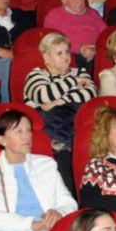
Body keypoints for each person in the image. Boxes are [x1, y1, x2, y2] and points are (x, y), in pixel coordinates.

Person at [23, 32, 98, 171]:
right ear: (46, 57)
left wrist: (59, 101)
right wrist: (73, 81)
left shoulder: (80, 71)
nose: (65, 57)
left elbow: (90, 93)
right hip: (53, 126)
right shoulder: (36, 75)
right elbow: (43, 95)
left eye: (67, 52)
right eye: (59, 53)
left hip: (77, 121)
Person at [45, 0, 107, 72]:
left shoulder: (93, 13)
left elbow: (106, 34)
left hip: (96, 52)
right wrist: (80, 48)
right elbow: (53, 41)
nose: (80, 1)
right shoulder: (54, 16)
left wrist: (97, 49)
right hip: (71, 54)